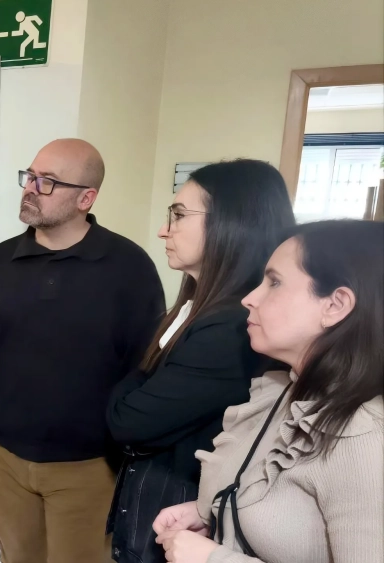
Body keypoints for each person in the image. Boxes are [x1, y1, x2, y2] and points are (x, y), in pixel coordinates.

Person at [0, 138, 166, 563]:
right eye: (30, 176)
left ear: (86, 198)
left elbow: (144, 369)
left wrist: (120, 454)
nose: (30, 188)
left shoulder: (129, 267)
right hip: (1, 458)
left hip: (89, 467)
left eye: (47, 181)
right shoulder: (0, 261)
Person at [153, 220, 384, 563]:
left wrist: (215, 559)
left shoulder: (363, 437)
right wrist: (216, 515)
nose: (249, 299)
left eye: (274, 282)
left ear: (335, 305)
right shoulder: (283, 392)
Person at [104, 159, 295, 563]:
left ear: (232, 223)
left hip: (183, 512)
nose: (163, 230)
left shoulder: (231, 327)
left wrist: (140, 372)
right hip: (165, 503)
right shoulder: (198, 308)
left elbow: (129, 421)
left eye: (179, 215)